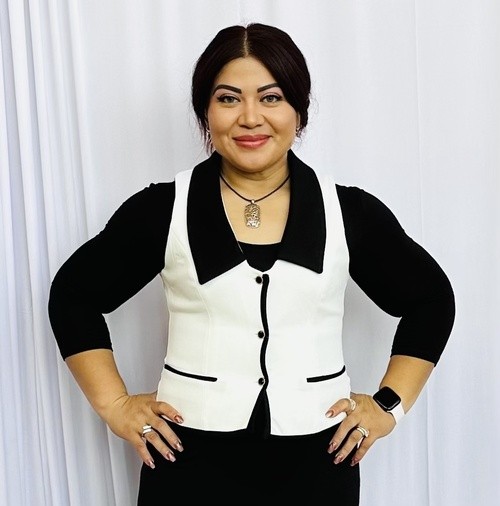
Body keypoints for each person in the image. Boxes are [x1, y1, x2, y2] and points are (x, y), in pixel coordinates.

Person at [48, 23, 455, 505]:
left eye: (271, 97)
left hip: (318, 466)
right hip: (187, 463)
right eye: (228, 98)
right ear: (205, 111)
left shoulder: (348, 212)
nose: (249, 117)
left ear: (298, 109)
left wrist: (388, 406)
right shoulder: (164, 209)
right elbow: (74, 295)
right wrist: (115, 406)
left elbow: (431, 300)